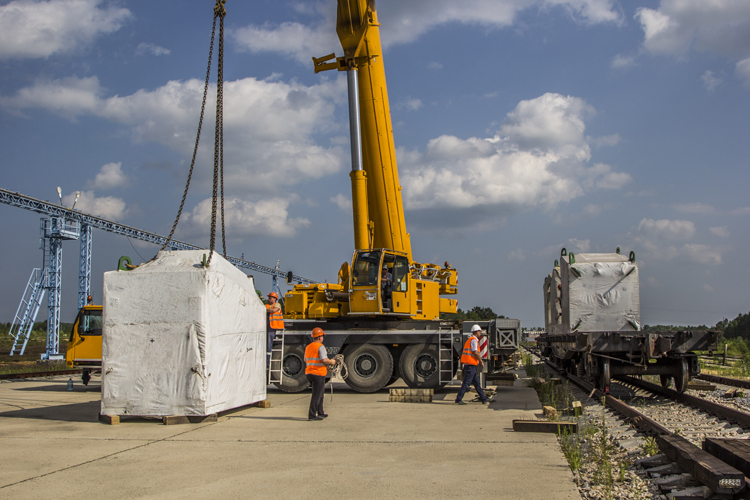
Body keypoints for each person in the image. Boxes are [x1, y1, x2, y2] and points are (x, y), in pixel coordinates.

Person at [304, 327, 337, 420]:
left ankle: (320, 412)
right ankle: (312, 415)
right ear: (319, 337)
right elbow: (324, 360)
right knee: (317, 395)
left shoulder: (308, 347)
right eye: (322, 336)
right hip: (318, 373)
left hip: (309, 373)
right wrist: (332, 362)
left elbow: (305, 359)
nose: (323, 338)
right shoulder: (320, 347)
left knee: (320, 393)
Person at [455, 324, 488, 405]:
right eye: (479, 331)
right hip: (470, 365)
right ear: (476, 332)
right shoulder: (473, 340)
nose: (480, 333)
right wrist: (481, 361)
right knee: (466, 383)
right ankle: (459, 399)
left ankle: (483, 398)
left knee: (477, 383)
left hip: (470, 365)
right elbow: (475, 352)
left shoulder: (471, 339)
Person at [266, 292, 284, 367]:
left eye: (270, 297)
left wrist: (266, 310)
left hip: (274, 326)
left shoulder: (277, 305)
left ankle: (268, 363)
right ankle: (267, 361)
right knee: (267, 344)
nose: (269, 299)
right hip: (270, 326)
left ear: (274, 299)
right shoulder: (267, 306)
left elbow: (273, 310)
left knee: (269, 344)